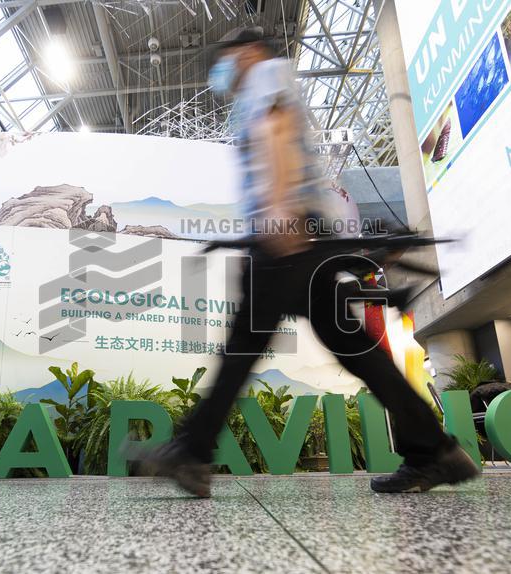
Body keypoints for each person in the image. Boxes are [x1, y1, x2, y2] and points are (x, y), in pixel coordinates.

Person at [134, 27, 479, 496]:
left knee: (245, 342)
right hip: (303, 231)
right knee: (351, 346)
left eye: (226, 56)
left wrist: (279, 212)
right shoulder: (265, 84)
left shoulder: (265, 76)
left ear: (249, 51)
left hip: (287, 229)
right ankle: (435, 450)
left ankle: (191, 452)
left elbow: (275, 133)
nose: (222, 68)